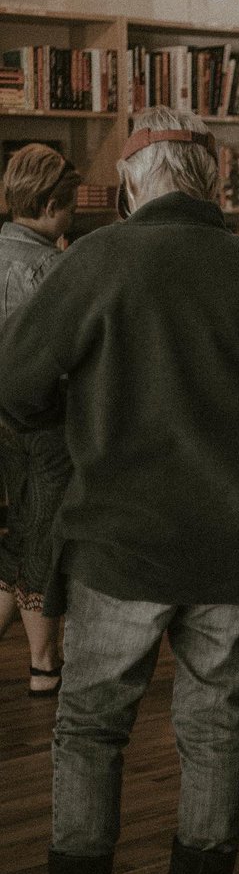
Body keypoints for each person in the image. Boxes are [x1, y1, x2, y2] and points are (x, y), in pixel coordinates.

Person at [0, 107, 239, 874]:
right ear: (212, 182)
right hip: (238, 539)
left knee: (92, 728)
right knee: (216, 726)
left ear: (135, 183)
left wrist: (85, 419)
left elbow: (17, 384)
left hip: (123, 539)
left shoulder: (99, 258)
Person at [0, 145, 80, 697]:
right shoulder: (52, 268)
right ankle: (44, 663)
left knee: (22, 530)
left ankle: (41, 660)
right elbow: (72, 353)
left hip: (5, 418)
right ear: (53, 203)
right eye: (70, 205)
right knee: (46, 537)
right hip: (49, 420)